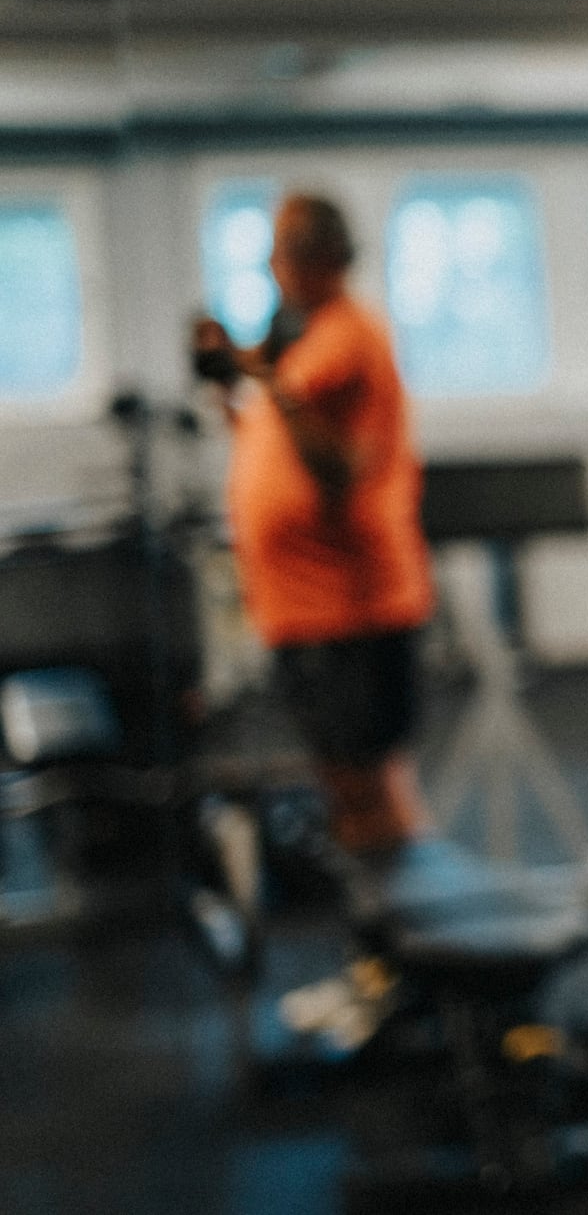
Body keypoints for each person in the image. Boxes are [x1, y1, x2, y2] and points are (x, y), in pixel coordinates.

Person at [194, 192, 436, 861]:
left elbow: (337, 470)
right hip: (304, 606)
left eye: (283, 251)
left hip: (348, 607)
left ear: (320, 257)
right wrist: (230, 382)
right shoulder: (306, 348)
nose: (274, 267)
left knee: (369, 788)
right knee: (347, 782)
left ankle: (409, 938)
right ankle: (393, 937)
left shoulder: (350, 338)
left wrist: (274, 382)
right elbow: (267, 447)